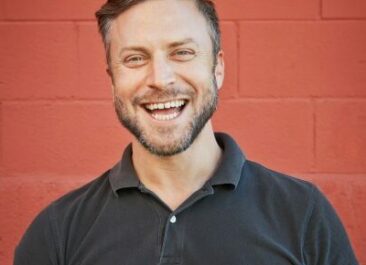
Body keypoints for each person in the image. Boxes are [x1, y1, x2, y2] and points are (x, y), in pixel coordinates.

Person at [14, 0, 359, 264]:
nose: (160, 78)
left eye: (182, 52)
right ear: (113, 79)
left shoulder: (302, 214)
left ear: (218, 68)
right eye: (135, 58)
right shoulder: (59, 232)